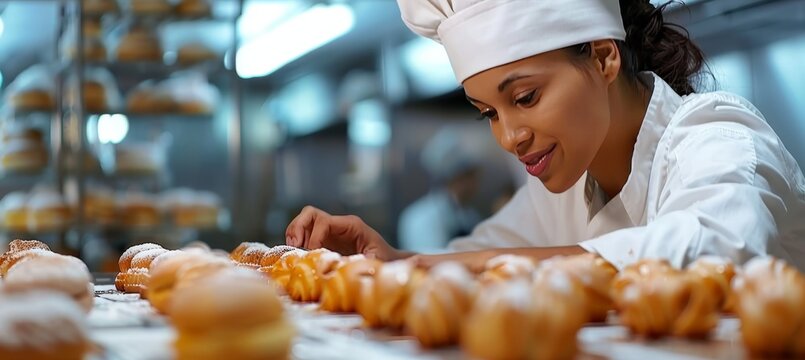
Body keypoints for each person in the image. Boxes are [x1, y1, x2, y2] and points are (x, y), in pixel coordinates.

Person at [285, 0, 805, 272]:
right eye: (487, 112)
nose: (509, 137)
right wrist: (392, 261)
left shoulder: (717, 135)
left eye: (526, 98)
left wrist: (479, 266)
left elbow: (717, 251)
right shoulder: (560, 191)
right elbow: (478, 255)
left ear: (603, 57)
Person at [397, 127, 482, 253]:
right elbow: (430, 261)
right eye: (471, 176)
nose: (476, 183)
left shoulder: (470, 216)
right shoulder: (420, 218)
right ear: (457, 178)